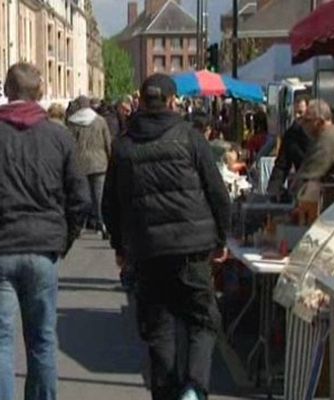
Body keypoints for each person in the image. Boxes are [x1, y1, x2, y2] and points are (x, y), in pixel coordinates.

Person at [0, 62, 90, 400]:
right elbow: (80, 198)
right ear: (39, 93)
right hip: (42, 246)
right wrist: (63, 239)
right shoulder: (58, 136)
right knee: (42, 340)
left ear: (7, 91)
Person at [102, 73, 230, 400]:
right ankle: (194, 387)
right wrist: (221, 239)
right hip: (193, 246)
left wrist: (120, 246)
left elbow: (110, 204)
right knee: (202, 319)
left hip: (146, 250)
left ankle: (166, 391)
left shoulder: (124, 145)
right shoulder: (191, 138)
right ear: (173, 102)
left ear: (141, 103)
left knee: (159, 327)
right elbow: (217, 192)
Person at [66, 95, 112, 237]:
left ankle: (81, 225)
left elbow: (69, 144)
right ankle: (102, 224)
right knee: (99, 197)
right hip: (100, 163)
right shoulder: (100, 121)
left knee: (82, 197)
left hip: (79, 163)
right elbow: (107, 142)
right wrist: (111, 159)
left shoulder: (71, 123)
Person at [290, 99, 334, 197]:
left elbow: (309, 174)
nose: (302, 124)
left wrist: (293, 192)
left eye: (307, 120)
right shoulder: (327, 136)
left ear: (319, 122)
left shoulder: (327, 139)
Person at [267, 96, 314, 200]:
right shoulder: (291, 135)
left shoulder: (318, 132)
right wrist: (273, 190)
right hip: (302, 187)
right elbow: (281, 165)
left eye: (301, 113)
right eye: (295, 113)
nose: (297, 116)